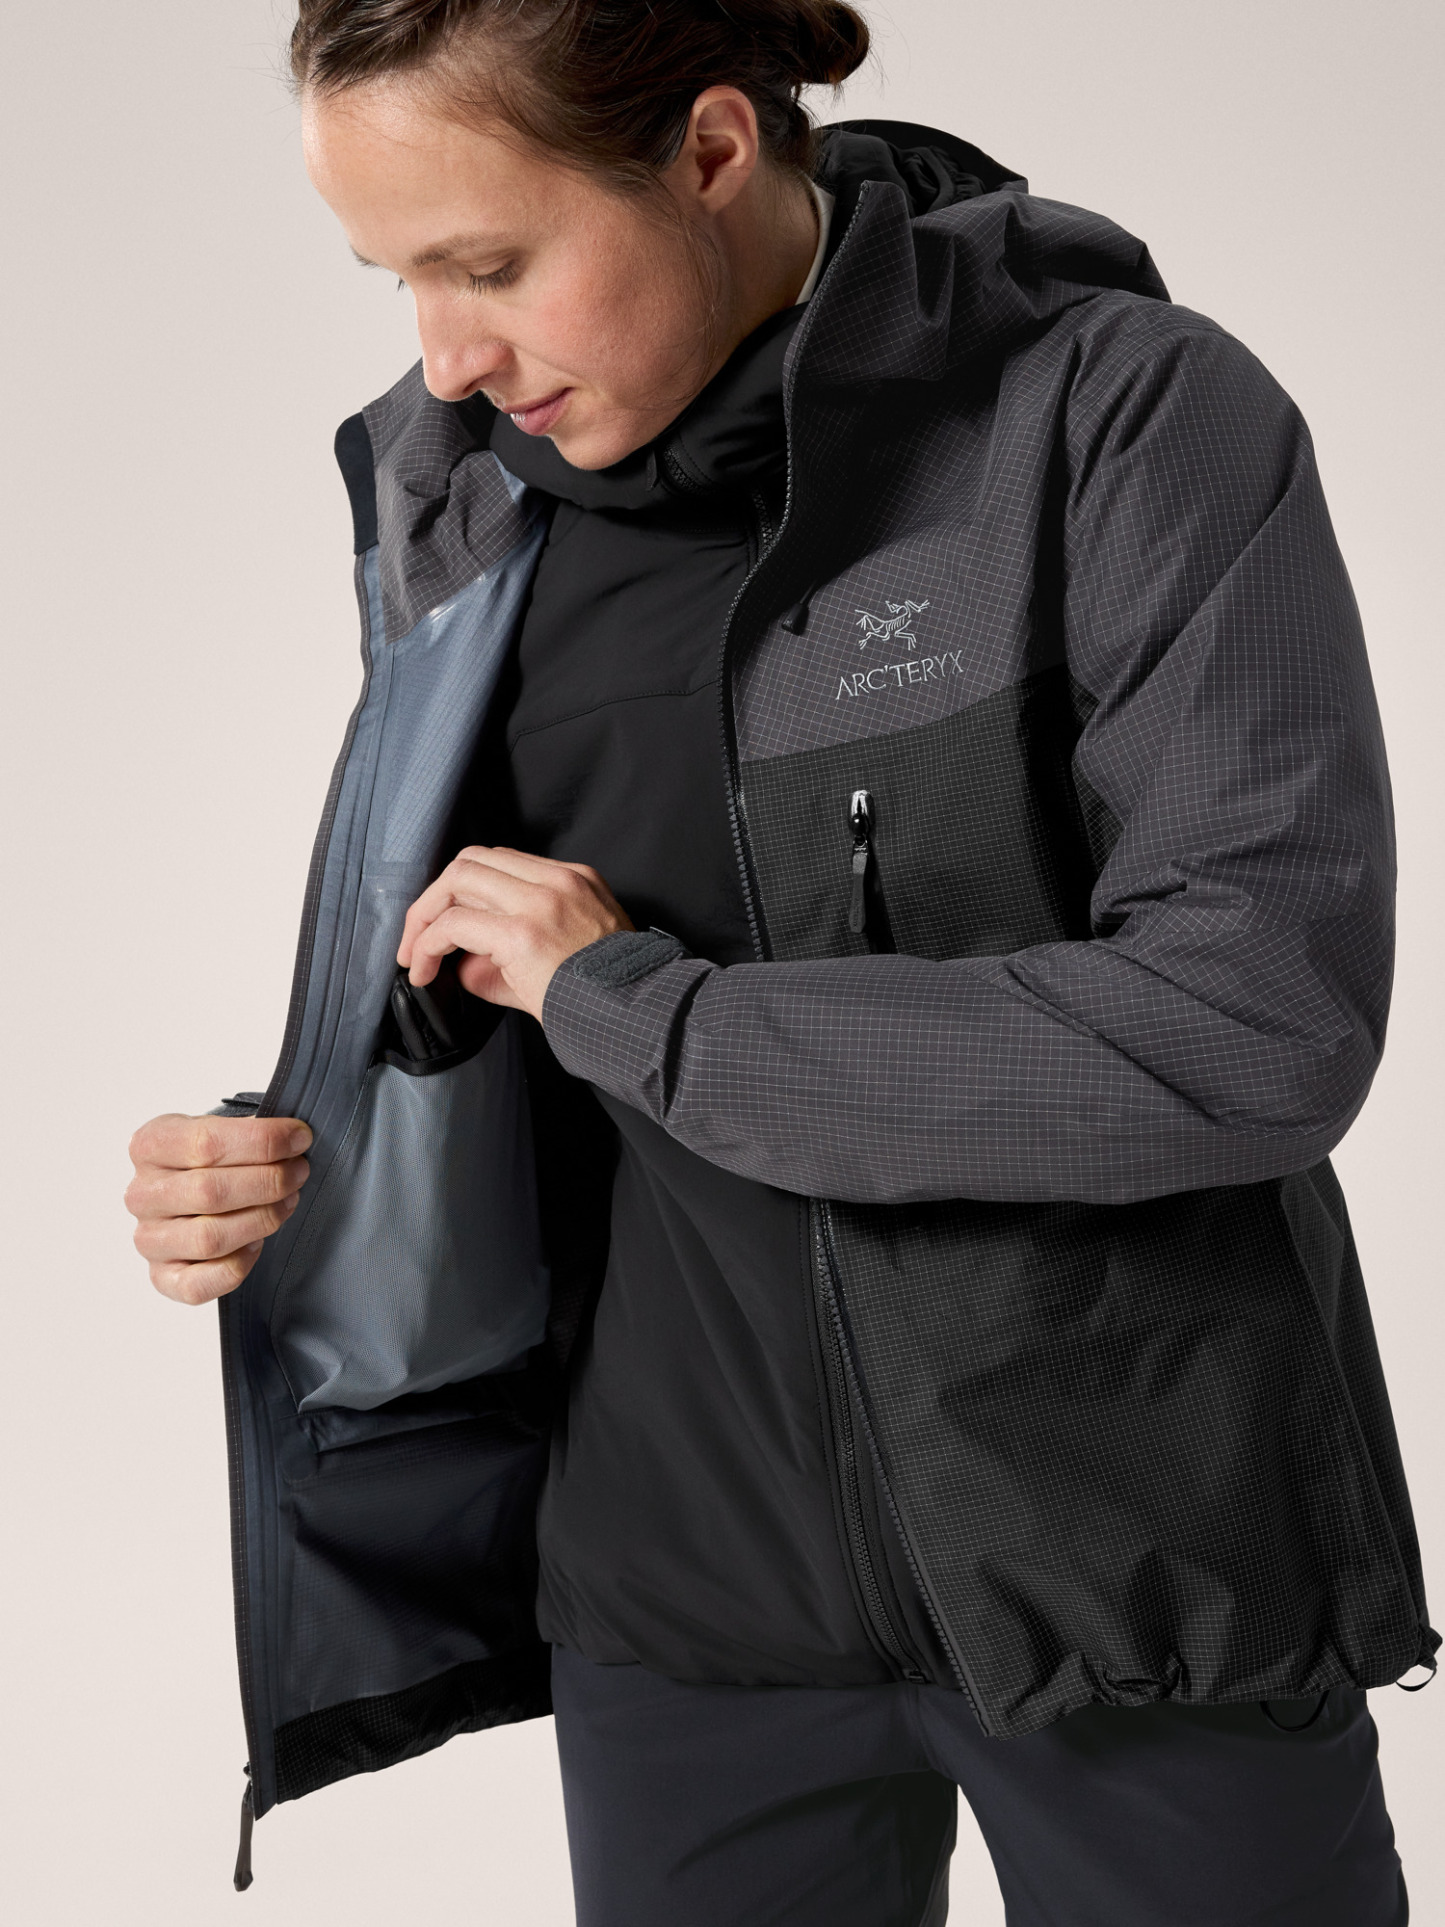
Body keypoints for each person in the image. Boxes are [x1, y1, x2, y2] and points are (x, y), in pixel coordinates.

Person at [124, 2, 1433, 1919]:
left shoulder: (1117, 417)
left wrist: (643, 1012)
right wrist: (296, 1156)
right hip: (677, 1609)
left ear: (715, 150)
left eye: (491, 263)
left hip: (1126, 1567)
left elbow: (1255, 1022)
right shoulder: (470, 516)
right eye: (399, 279)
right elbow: (497, 985)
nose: (448, 355)